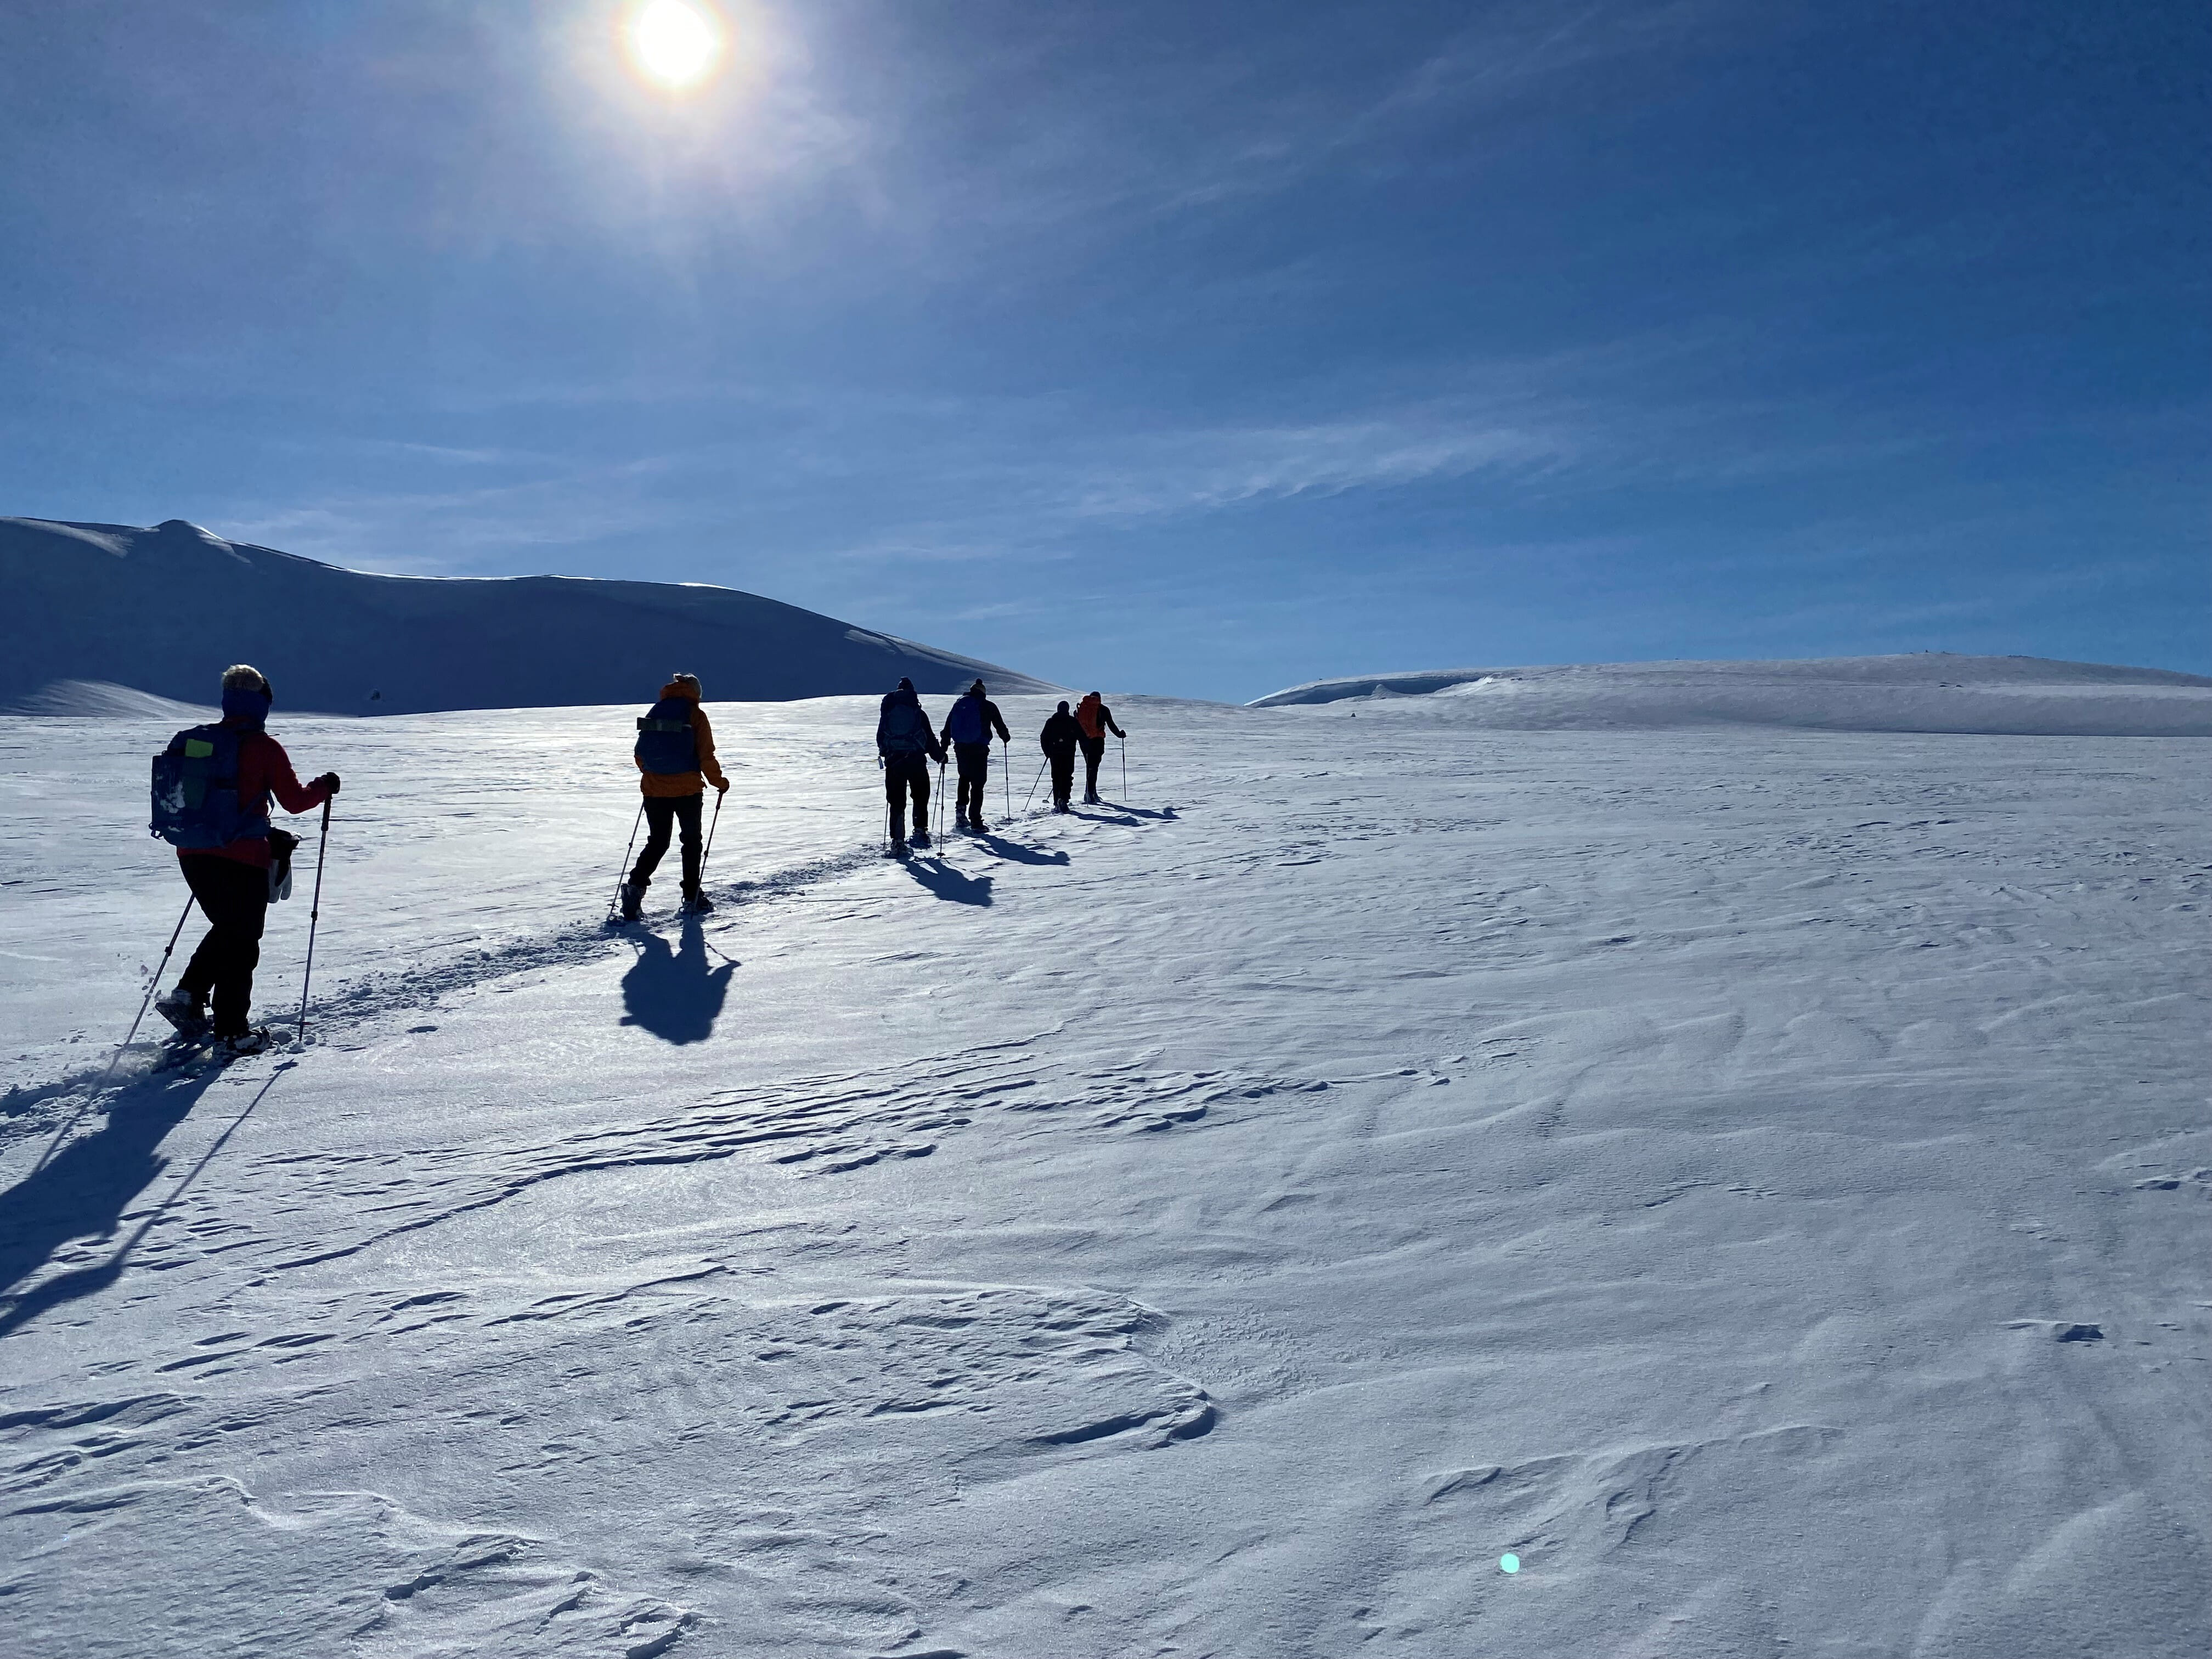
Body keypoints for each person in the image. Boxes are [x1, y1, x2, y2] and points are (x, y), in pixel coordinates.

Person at [150, 664, 338, 1056]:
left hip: (193, 852)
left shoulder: (198, 742)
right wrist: (325, 787)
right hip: (242, 857)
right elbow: (295, 801)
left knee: (229, 929)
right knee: (242, 940)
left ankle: (188, 996)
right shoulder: (263, 747)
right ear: (262, 703)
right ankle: (232, 1032)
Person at [621, 673, 729, 921]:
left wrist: (653, 776)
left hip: (654, 790)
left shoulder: (656, 711)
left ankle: (634, 889)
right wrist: (719, 783)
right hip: (688, 790)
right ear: (695, 692)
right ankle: (692, 896)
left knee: (658, 842)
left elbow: (640, 753)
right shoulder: (696, 716)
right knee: (691, 843)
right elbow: (706, 756)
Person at [877, 676, 946, 854]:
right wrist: (940, 757)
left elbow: (880, 737)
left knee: (897, 802)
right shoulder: (918, 713)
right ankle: (920, 832)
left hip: (894, 762)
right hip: (916, 760)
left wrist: (887, 752)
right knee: (921, 796)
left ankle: (898, 842)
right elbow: (930, 739)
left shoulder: (888, 712)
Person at [938, 679, 1011, 832]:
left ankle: (961, 814)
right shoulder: (987, 705)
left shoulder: (959, 704)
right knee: (978, 784)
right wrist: (1005, 736)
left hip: (961, 748)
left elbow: (948, 727)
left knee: (964, 778)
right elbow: (999, 725)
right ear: (983, 692)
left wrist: (943, 748)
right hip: (979, 748)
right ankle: (976, 821)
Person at [1074, 691, 1126, 805]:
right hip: (1097, 740)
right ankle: (1090, 792)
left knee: (1090, 765)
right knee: (1094, 767)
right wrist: (1120, 734)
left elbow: (1077, 725)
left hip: (1084, 741)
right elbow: (1111, 724)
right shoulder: (1103, 709)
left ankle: (1091, 791)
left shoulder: (1082, 708)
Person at [1040, 699, 1083, 814]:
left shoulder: (1051, 721)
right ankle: (1063, 799)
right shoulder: (1072, 721)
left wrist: (1047, 752)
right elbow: (1082, 736)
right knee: (1067, 776)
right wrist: (1088, 748)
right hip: (1069, 753)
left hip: (1055, 754)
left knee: (1056, 777)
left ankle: (1057, 801)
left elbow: (1043, 737)